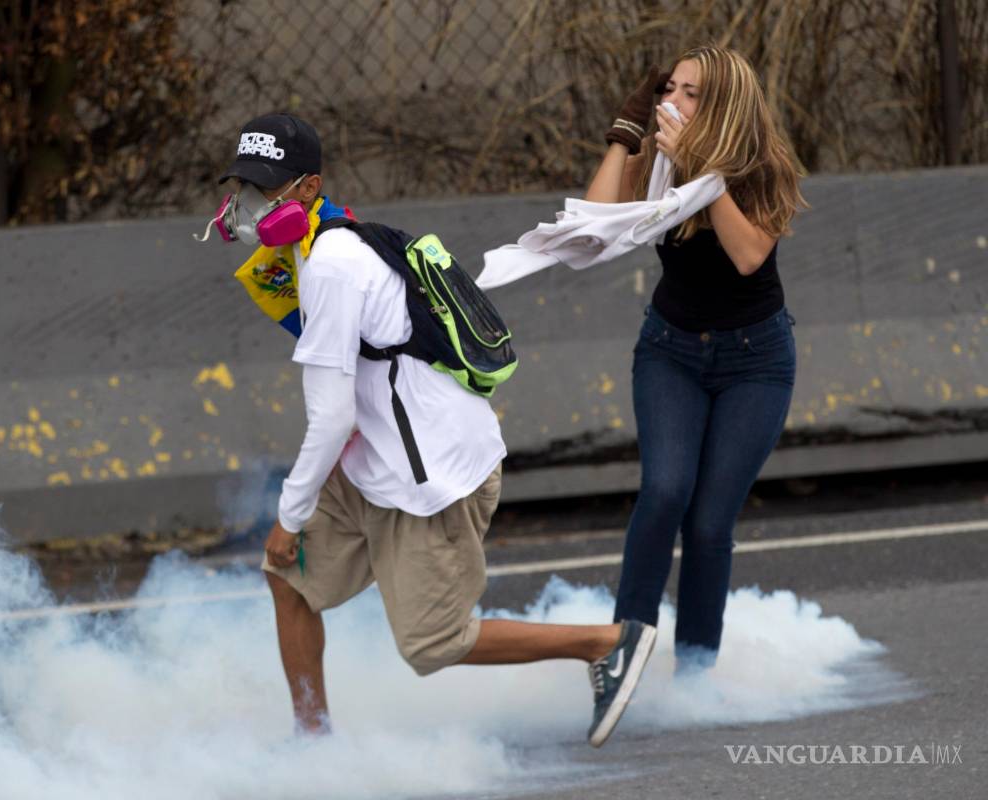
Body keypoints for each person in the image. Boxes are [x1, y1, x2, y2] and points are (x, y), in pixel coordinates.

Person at [213, 113, 656, 745]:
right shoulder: (319, 246)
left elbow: (332, 416)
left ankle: (607, 642)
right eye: (243, 185)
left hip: (431, 478)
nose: (249, 204)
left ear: (308, 190)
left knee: (432, 644)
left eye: (267, 187)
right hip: (379, 462)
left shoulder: (332, 263)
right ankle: (313, 746)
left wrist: (289, 515)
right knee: (287, 580)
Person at [584, 47, 806, 668]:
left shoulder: (763, 165)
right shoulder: (660, 158)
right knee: (664, 491)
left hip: (755, 360)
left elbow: (747, 256)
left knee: (709, 526)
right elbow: (598, 222)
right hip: (670, 351)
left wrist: (702, 172)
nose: (671, 104)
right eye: (668, 90)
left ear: (725, 105)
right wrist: (626, 138)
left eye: (690, 94)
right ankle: (621, 651)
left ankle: (697, 671)